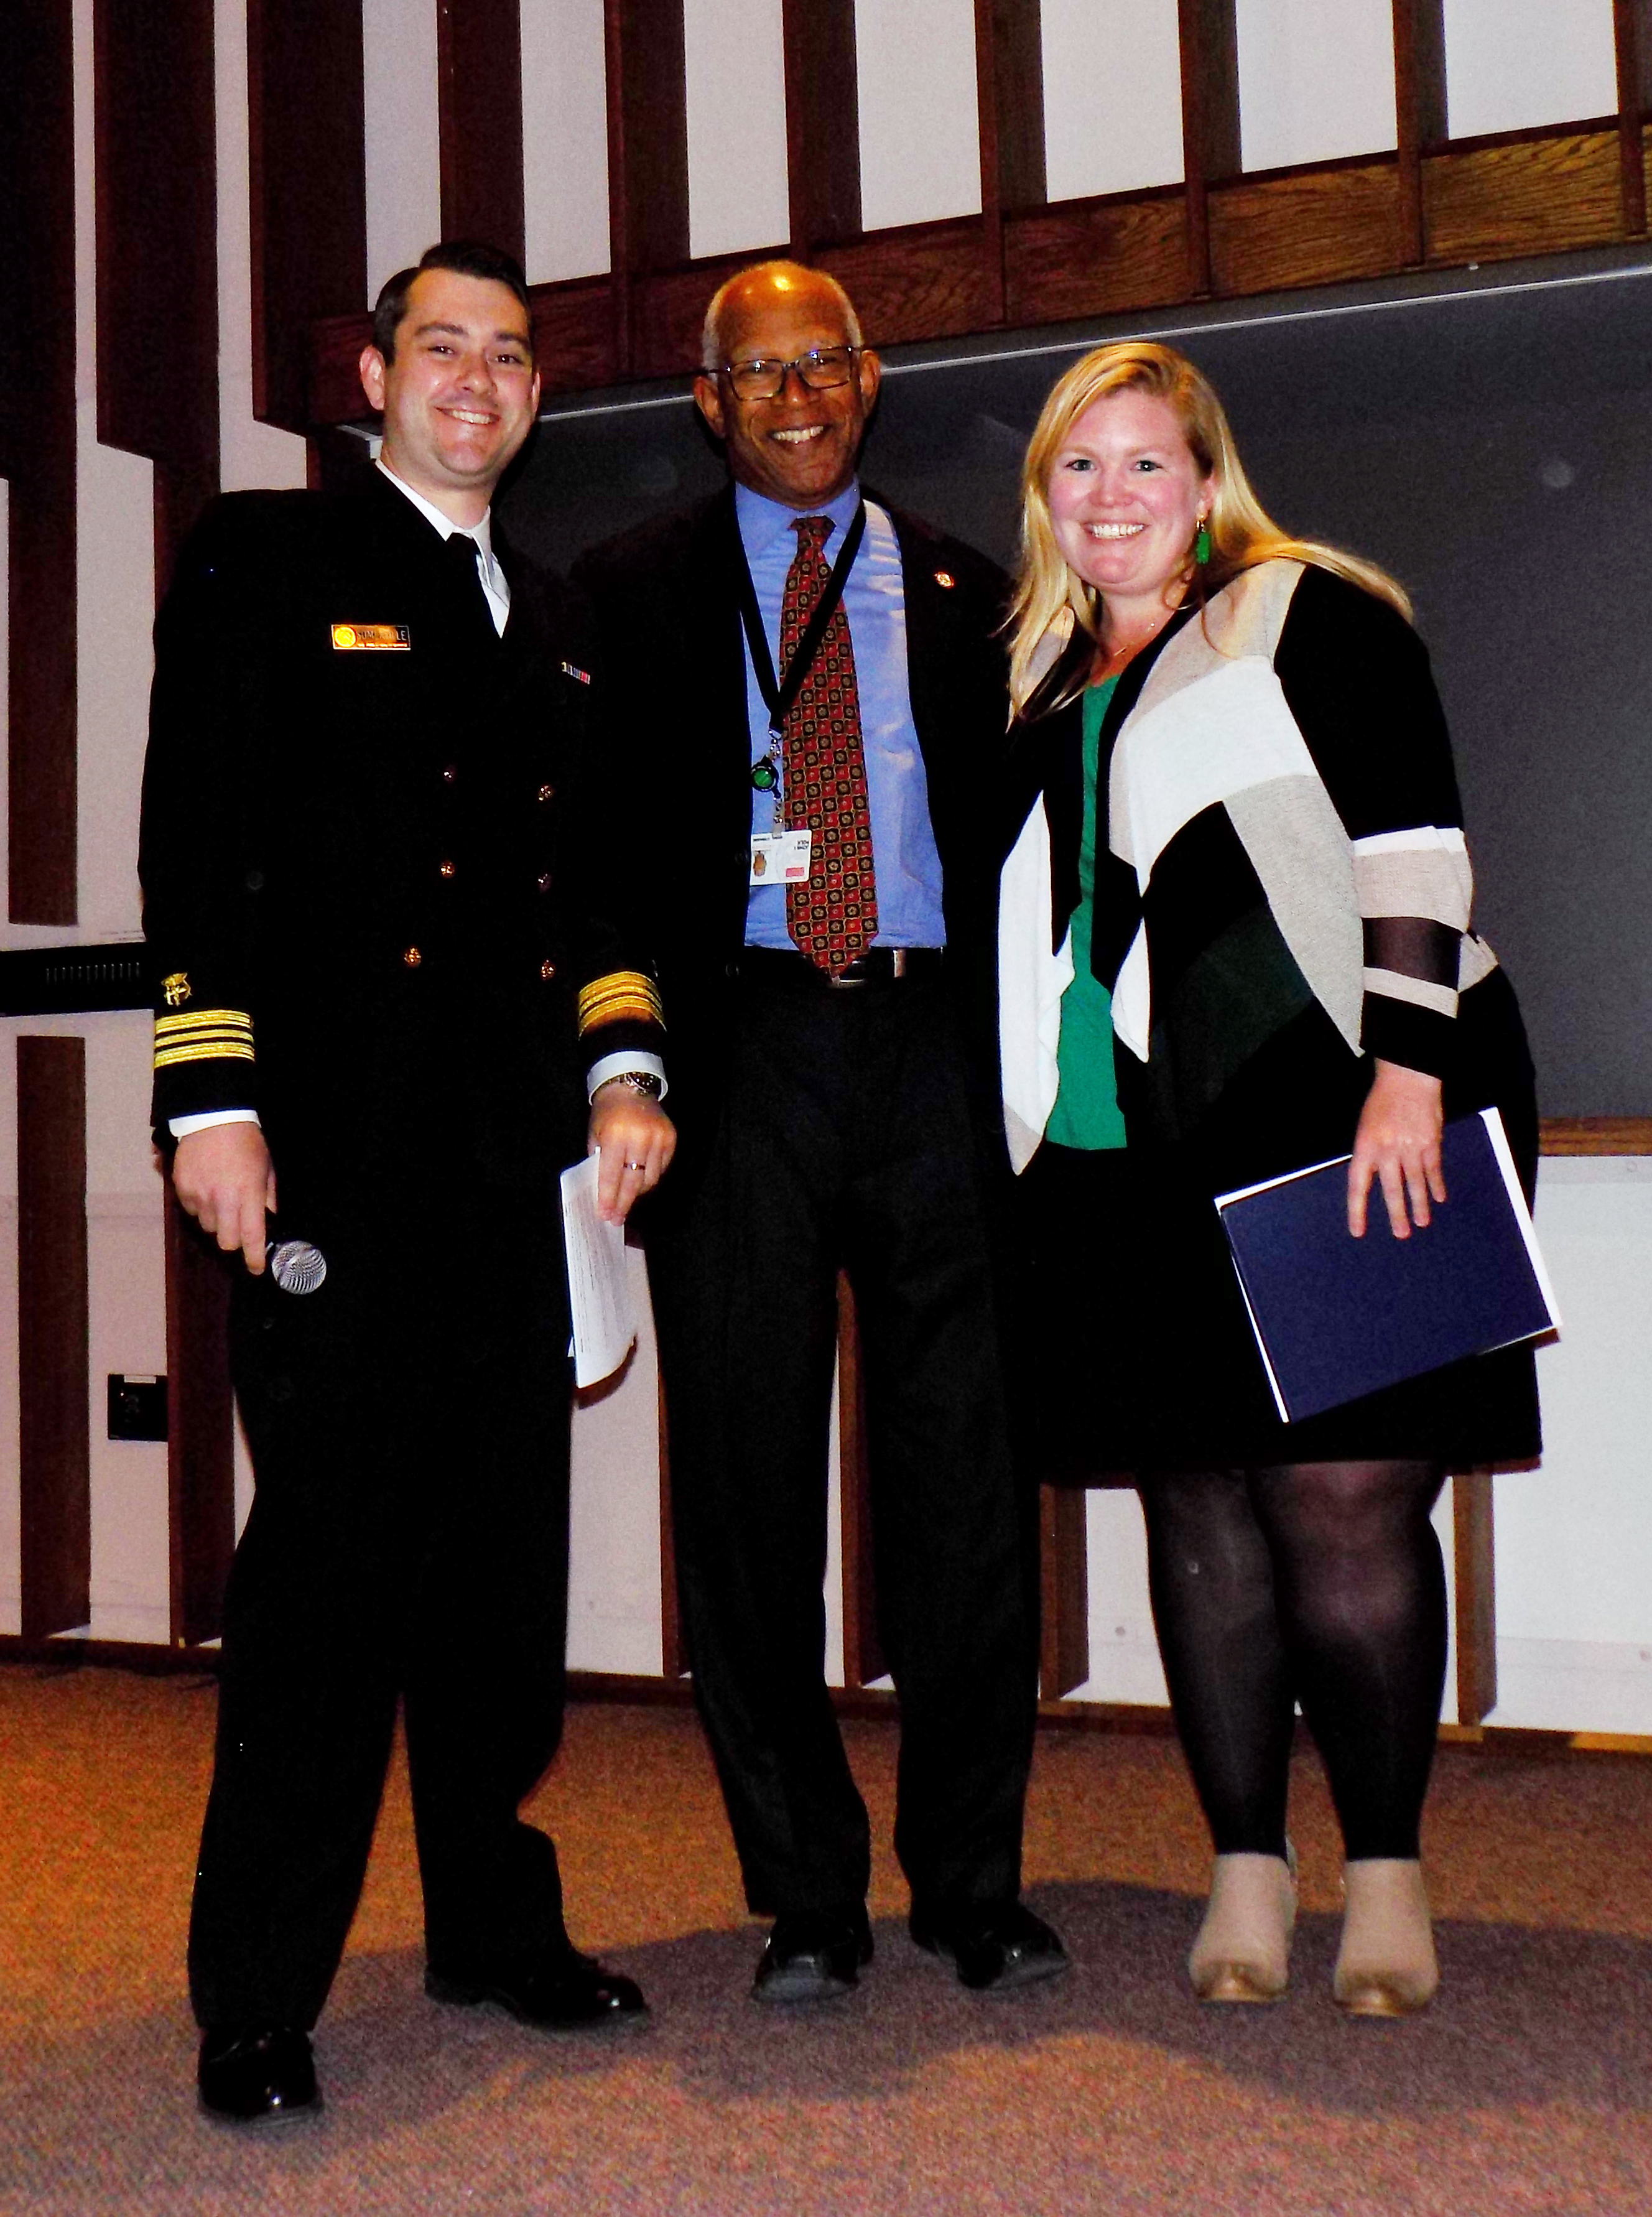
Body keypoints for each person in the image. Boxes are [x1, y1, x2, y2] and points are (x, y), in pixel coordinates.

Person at [140, 240, 674, 2124]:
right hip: (334, 1170)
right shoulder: (269, 560)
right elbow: (192, 844)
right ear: (372, 374)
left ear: (538, 396)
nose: (477, 379)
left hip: (509, 1177)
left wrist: (624, 1063)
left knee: (497, 1585)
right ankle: (260, 1993)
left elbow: (588, 890)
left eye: (511, 356)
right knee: (326, 1587)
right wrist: (211, 1101)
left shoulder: (556, 610)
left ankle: (487, 1926)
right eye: (440, 347)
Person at [998, 341, 1539, 2018]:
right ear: (1045, 500)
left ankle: (1384, 1866)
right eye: (1078, 469)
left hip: (1349, 1105)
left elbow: (1412, 850)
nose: (1113, 498)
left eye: (1145, 463)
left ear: (1207, 479)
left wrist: (1411, 1073)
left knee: (1350, 1497)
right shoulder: (1034, 692)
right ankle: (1247, 1856)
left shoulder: (1308, 612)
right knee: (1203, 1510)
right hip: (1132, 1159)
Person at [571, 261, 1064, 2003]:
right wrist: (617, 1064)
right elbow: (602, 863)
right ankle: (805, 1892)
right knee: (749, 1483)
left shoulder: (970, 588)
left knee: (965, 1483)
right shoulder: (623, 595)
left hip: (935, 1042)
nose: (795, 396)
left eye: (822, 365)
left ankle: (973, 1882)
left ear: (872, 380)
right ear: (710, 403)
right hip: (738, 1051)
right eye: (756, 372)